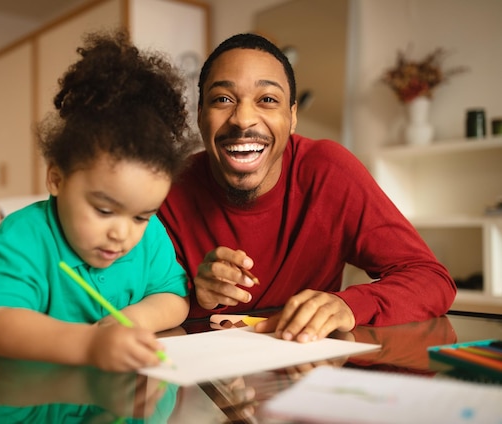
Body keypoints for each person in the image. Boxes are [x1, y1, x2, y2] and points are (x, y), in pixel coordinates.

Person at [157, 33, 457, 343]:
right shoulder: (165, 189)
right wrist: (194, 296)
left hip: (308, 373)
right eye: (222, 99)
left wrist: (347, 305)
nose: (243, 118)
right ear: (200, 115)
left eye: (268, 100)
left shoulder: (328, 171)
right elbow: (123, 309)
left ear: (293, 116)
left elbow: (432, 279)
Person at [0, 30, 199, 371]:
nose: (122, 233)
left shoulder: (151, 237)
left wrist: (132, 319)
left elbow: (174, 299)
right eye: (104, 210)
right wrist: (90, 344)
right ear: (57, 178)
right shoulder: (22, 237)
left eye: (141, 216)